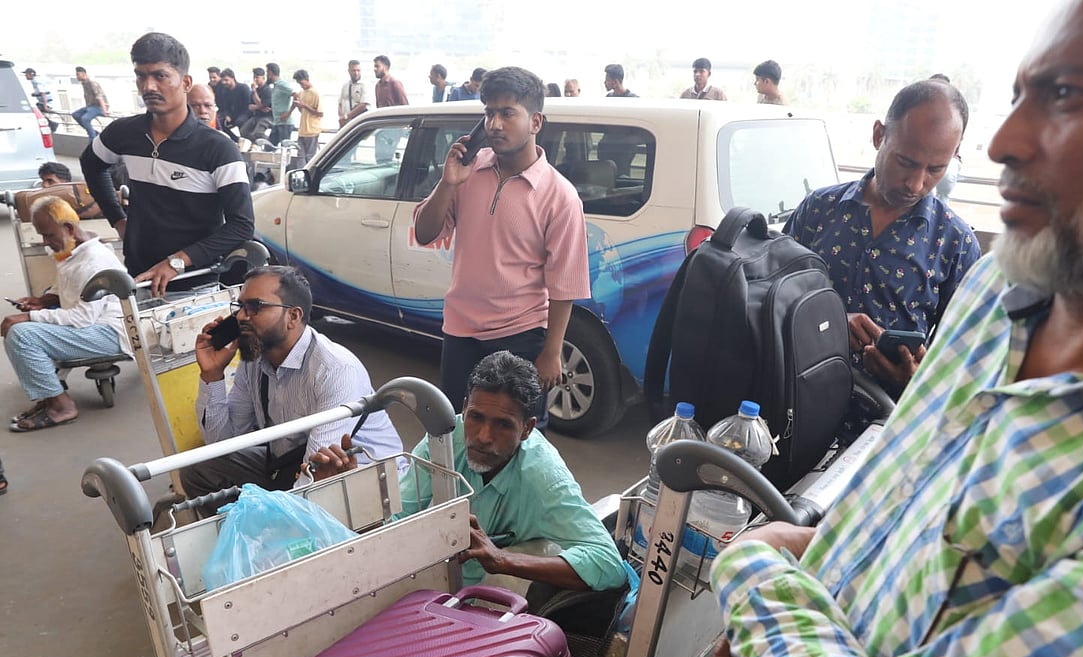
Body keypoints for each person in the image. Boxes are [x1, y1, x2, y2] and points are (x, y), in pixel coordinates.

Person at [586, 1, 1083, 657]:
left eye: (1070, 95)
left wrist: (762, 579)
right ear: (879, 137)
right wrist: (820, 545)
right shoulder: (1003, 285)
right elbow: (913, 484)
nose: (1006, 143)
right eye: (1021, 94)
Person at [413, 66, 589, 425]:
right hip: (460, 332)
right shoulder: (468, 171)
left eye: (507, 113)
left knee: (517, 438)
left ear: (535, 122)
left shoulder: (560, 196)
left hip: (520, 335)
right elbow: (425, 232)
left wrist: (552, 351)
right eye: (489, 113)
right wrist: (448, 183)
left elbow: (565, 283)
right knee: (457, 430)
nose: (494, 124)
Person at [783, 79, 980, 395]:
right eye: (906, 162)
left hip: (889, 418)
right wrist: (831, 321)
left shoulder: (956, 243)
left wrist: (915, 381)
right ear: (879, 135)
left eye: (935, 169)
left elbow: (962, 364)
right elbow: (773, 299)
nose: (916, 184)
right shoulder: (819, 208)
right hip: (793, 402)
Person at [400, 351, 626, 592]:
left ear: (527, 428)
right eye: (476, 417)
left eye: (503, 424)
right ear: (464, 409)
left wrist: (503, 560)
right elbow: (398, 518)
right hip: (442, 580)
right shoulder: (441, 441)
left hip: (501, 589)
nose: (484, 437)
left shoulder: (545, 478)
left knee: (506, 577)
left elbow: (608, 563)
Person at [181, 265, 405, 501]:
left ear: (293, 316)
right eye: (240, 307)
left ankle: (265, 522)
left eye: (255, 307)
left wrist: (276, 511)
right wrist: (213, 375)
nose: (241, 317)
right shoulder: (254, 360)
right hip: (290, 466)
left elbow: (317, 475)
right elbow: (222, 445)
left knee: (295, 500)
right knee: (200, 471)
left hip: (360, 478)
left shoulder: (335, 370)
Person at [80, 32, 254, 297]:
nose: (148, 86)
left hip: (196, 287)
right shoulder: (124, 133)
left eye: (160, 76)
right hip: (138, 281)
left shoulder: (219, 149)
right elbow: (91, 164)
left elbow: (241, 225)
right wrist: (118, 219)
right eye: (141, 76)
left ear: (185, 82)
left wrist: (178, 261)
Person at [2, 196, 129, 432]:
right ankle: (51, 396)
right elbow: (68, 286)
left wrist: (29, 317)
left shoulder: (93, 261)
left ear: (69, 228)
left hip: (110, 334)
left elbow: (82, 318)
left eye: (49, 235)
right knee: (20, 328)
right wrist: (43, 301)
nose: (45, 242)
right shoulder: (76, 250)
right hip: (94, 325)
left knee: (21, 335)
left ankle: (61, 406)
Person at [928, 73, 964, 200]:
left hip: (948, 158)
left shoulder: (956, 113)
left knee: (946, 177)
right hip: (923, 156)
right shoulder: (919, 110)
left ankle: (938, 206)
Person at [290, 69, 323, 165]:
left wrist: (304, 105)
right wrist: (298, 106)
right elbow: (302, 111)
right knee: (300, 156)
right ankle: (301, 172)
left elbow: (320, 113)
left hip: (312, 130)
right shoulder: (302, 93)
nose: (301, 85)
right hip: (302, 130)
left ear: (307, 79)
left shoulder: (316, 93)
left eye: (302, 83)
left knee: (310, 157)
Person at [71, 66, 108, 139]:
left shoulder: (92, 83)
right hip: (90, 106)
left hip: (98, 106)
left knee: (85, 119)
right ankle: (94, 132)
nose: (77, 77)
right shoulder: (84, 83)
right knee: (75, 114)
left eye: (78, 74)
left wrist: (105, 110)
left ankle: (93, 137)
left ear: (83, 73)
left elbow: (99, 96)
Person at [217, 68, 252, 139]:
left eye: (226, 80)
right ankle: (231, 140)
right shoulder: (225, 91)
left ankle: (240, 140)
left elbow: (248, 105)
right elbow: (226, 107)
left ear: (233, 78)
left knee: (239, 122)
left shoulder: (243, 88)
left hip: (244, 113)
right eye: (223, 80)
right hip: (232, 114)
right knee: (219, 122)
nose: (224, 82)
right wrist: (227, 115)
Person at [266, 63, 296, 145]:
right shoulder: (275, 86)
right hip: (277, 122)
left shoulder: (282, 84)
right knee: (269, 147)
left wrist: (288, 113)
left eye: (267, 72)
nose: (266, 75)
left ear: (271, 73)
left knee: (284, 148)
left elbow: (296, 95)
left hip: (285, 123)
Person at [338, 59, 371, 128]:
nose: (356, 73)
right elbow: (340, 103)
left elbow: (363, 105)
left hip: (358, 122)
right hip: (345, 122)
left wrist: (348, 116)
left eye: (358, 70)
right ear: (349, 71)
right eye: (353, 70)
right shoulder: (345, 86)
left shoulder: (364, 85)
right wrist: (341, 117)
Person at [242, 67, 273, 141]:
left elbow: (261, 104)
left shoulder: (267, 90)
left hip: (267, 117)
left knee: (258, 133)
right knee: (243, 131)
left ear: (263, 78)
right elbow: (250, 106)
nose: (255, 80)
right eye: (254, 77)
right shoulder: (255, 91)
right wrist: (259, 107)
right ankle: (256, 143)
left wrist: (254, 92)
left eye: (257, 77)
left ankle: (271, 143)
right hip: (257, 116)